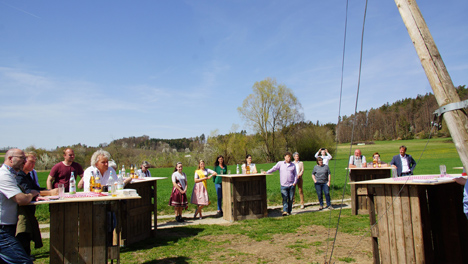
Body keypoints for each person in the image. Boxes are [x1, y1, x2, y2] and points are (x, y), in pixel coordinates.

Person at [15, 152, 58, 259]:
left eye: (34, 162)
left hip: (28, 209)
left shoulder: (27, 175)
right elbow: (28, 190)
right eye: (31, 162)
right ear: (24, 162)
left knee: (27, 232)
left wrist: (49, 190)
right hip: (20, 210)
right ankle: (23, 257)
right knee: (23, 232)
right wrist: (49, 193)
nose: (33, 165)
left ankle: (26, 255)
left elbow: (36, 189)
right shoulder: (19, 175)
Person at [0, 149, 39, 263]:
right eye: (22, 158)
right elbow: (21, 199)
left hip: (7, 227)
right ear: (11, 159)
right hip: (2, 230)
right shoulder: (4, 176)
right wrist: (31, 194)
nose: (25, 161)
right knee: (24, 261)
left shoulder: (11, 175)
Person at [267, 152, 297, 216]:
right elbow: (274, 168)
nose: (289, 158)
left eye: (289, 157)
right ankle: (285, 211)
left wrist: (294, 183)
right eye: (287, 157)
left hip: (291, 184)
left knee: (291, 198)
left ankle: (289, 210)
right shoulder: (280, 163)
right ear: (284, 157)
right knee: (285, 198)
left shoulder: (293, 165)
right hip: (284, 185)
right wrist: (267, 172)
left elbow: (295, 175)